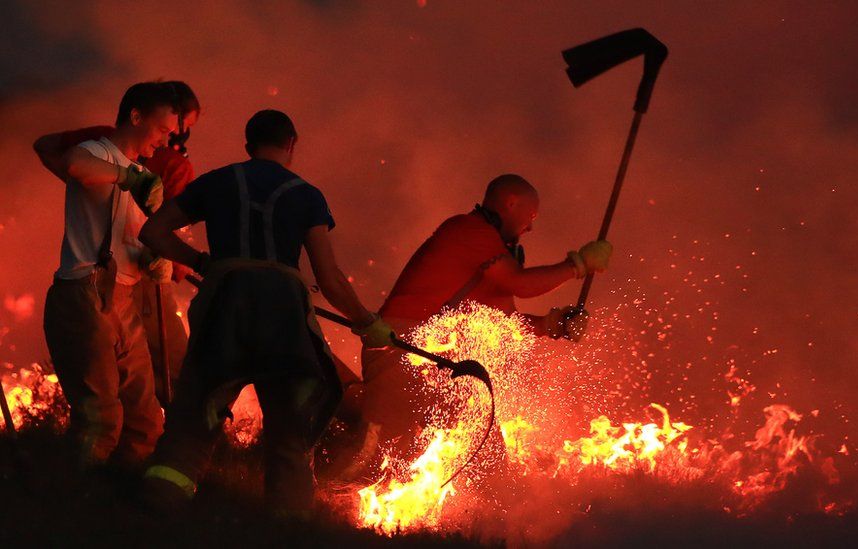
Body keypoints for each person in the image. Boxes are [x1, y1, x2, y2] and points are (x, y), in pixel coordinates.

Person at [138, 109, 393, 513]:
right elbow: (328, 277)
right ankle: (286, 531)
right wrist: (368, 323)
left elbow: (152, 232)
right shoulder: (306, 195)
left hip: (223, 309)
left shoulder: (218, 182)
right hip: (285, 320)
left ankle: (156, 513)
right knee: (290, 435)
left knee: (191, 423)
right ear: (291, 144)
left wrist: (204, 263)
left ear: (248, 145)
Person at [347, 173, 612, 476]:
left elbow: (505, 321)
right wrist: (577, 265)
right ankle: (320, 501)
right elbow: (520, 284)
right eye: (531, 215)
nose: (532, 226)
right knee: (374, 455)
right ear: (511, 203)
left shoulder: (491, 254)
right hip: (400, 348)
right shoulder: (469, 231)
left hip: (428, 357)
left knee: (483, 444)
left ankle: (485, 516)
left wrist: (554, 325)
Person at [34, 81, 201, 406]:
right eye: (178, 128)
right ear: (140, 117)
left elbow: (45, 146)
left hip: (127, 280)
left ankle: (142, 445)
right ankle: (186, 438)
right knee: (174, 370)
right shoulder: (162, 164)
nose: (175, 138)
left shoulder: (126, 156)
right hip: (120, 285)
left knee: (134, 398)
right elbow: (74, 164)